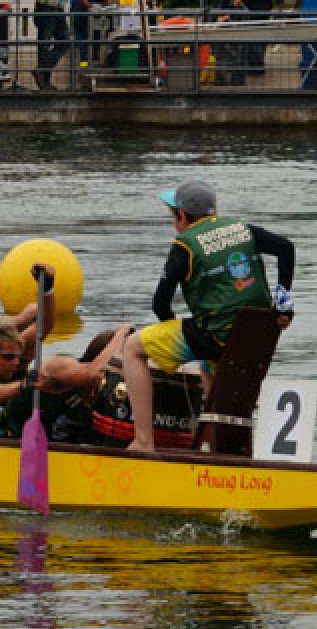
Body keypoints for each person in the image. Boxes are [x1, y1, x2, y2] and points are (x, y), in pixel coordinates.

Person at [119, 181, 295, 454]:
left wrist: (169, 334)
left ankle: (143, 442)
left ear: (182, 216)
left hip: (216, 337)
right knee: (206, 363)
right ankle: (217, 447)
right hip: (254, 336)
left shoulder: (185, 245)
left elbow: (160, 304)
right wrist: (283, 305)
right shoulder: (242, 229)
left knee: (132, 348)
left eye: (173, 216)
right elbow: (286, 248)